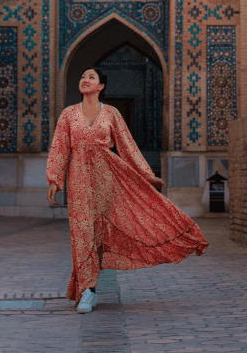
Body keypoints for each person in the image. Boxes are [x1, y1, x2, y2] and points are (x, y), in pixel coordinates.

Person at [46, 66, 208, 314]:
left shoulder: (111, 113)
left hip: (106, 175)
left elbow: (127, 146)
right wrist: (54, 179)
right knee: (82, 232)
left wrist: (146, 174)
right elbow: (59, 147)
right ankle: (87, 289)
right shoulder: (68, 114)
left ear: (101, 86)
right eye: (82, 76)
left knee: (99, 232)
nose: (85, 80)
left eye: (91, 77)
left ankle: (89, 287)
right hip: (78, 179)